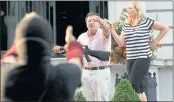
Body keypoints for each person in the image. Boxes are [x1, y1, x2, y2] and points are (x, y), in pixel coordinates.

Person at [3, 12, 83, 101]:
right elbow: (76, 59)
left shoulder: (6, 76)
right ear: (49, 44)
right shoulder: (64, 76)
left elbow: (10, 56)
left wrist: (23, 33)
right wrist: (73, 44)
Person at [109, 1, 169, 101]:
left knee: (132, 84)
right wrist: (112, 30)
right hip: (130, 58)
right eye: (127, 8)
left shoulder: (145, 21)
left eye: (131, 8)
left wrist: (155, 41)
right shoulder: (126, 25)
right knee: (139, 87)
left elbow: (165, 28)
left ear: (137, 10)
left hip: (143, 57)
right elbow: (121, 43)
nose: (128, 10)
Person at [52, 12, 111, 101]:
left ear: (99, 23)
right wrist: (61, 51)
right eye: (89, 21)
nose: (91, 22)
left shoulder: (103, 34)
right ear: (86, 24)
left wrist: (100, 20)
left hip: (101, 72)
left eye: (94, 20)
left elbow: (107, 30)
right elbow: (76, 54)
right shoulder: (82, 37)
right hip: (86, 73)